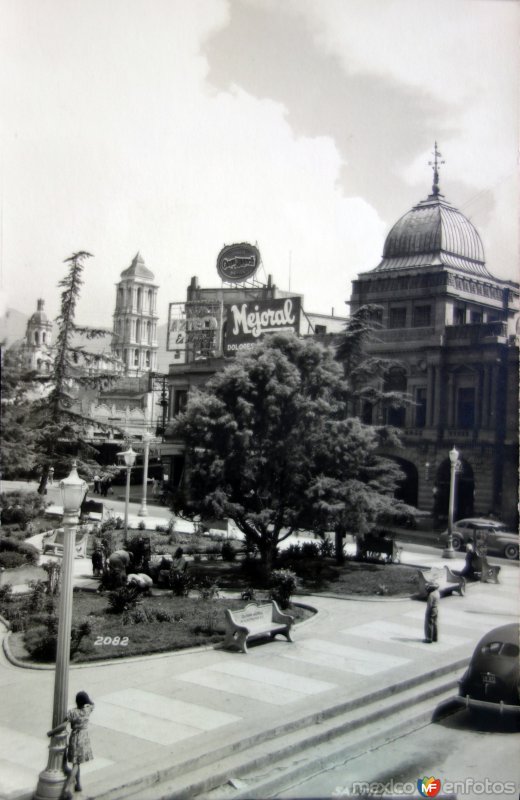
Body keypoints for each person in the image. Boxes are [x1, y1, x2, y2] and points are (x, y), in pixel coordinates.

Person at [47, 690, 94, 798]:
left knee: (75, 764)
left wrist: (52, 732)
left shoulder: (73, 712)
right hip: (84, 738)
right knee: (77, 763)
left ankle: (67, 788)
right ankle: (78, 784)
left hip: (75, 738)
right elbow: (92, 704)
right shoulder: (88, 710)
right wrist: (88, 701)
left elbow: (63, 726)